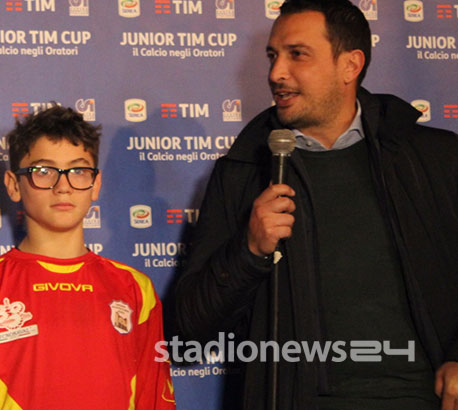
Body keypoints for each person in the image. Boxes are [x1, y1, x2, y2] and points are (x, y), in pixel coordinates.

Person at [174, 0, 458, 409]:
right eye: (273, 55)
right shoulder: (243, 171)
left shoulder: (433, 158)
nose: (276, 73)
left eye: (297, 54)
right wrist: (248, 251)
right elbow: (187, 331)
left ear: (350, 65)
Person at [0, 106, 175, 409]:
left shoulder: (135, 289)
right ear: (13, 185)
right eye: (43, 172)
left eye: (78, 171)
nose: (63, 186)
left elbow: (154, 399)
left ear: (96, 184)